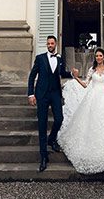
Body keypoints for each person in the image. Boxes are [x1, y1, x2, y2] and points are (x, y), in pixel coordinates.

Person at [27, 35, 72, 172]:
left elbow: (62, 73)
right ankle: (43, 157)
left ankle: (51, 139)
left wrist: (72, 74)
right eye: (48, 43)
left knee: (59, 119)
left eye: (52, 43)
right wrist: (31, 94)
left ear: (56, 44)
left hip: (55, 94)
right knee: (42, 124)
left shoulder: (59, 59)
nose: (50, 45)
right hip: (42, 95)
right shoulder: (40, 58)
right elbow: (32, 76)